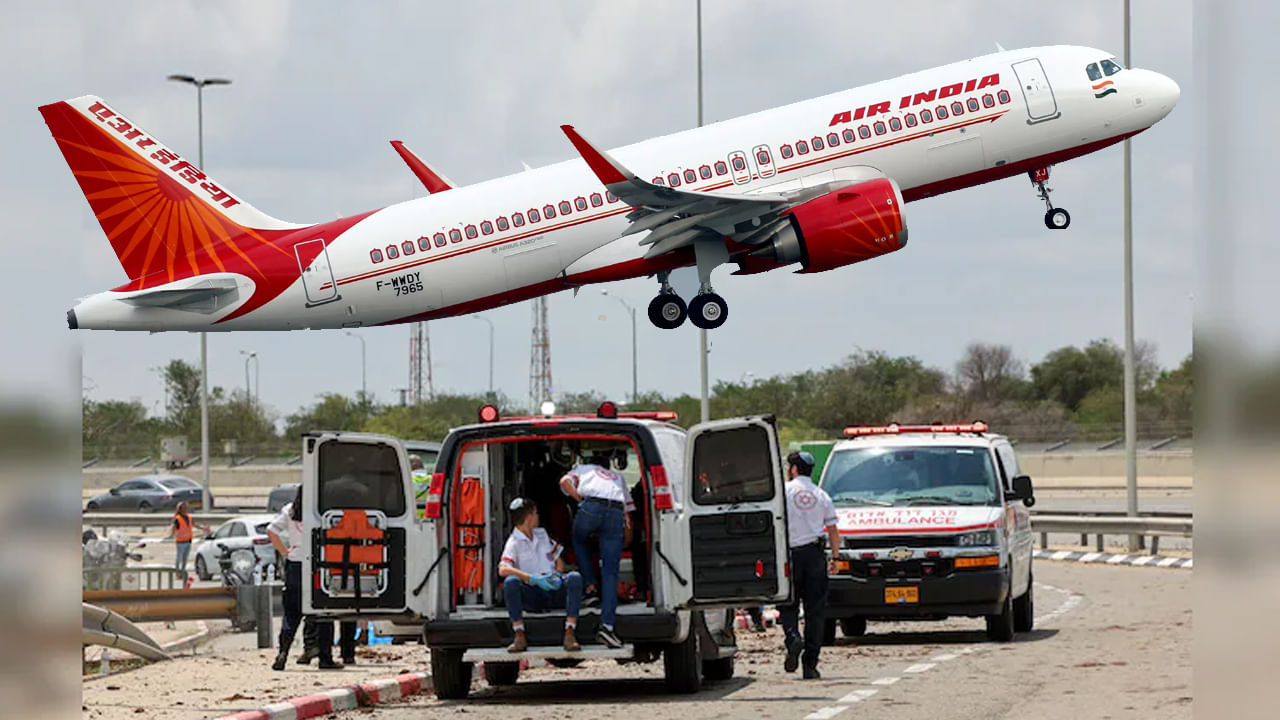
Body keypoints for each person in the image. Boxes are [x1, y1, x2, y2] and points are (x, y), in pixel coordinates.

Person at [560, 452, 632, 649]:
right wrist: (626, 538)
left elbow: (564, 482)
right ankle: (607, 627)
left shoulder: (583, 469)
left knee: (578, 539)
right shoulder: (619, 478)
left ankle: (590, 587)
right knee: (610, 572)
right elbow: (628, 513)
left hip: (591, 507)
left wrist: (580, 500)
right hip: (616, 512)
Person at [778, 451, 840, 680]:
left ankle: (793, 636)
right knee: (815, 611)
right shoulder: (821, 495)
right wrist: (836, 557)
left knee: (788, 603)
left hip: (790, 555)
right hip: (815, 555)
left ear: (793, 469)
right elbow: (832, 529)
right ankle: (810, 664)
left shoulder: (783, 492)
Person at [266, 485, 341, 671]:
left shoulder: (290, 510)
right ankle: (325, 658)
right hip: (318, 565)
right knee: (324, 612)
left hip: (295, 564)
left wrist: (285, 552)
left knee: (291, 614)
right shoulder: (322, 511)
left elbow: (271, 531)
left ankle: (283, 652)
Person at [499, 497, 583, 653]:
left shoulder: (542, 534)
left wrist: (557, 574)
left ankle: (570, 633)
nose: (538, 516)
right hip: (534, 593)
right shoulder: (514, 542)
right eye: (536, 513)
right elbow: (503, 569)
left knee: (574, 578)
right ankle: (519, 635)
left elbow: (558, 558)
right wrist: (530, 578)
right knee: (510, 583)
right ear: (529, 517)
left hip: (552, 588)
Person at [164, 501, 211, 571]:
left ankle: (182, 571)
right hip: (180, 542)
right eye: (184, 507)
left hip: (188, 540)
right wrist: (171, 534)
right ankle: (177, 572)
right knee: (179, 558)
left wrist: (204, 528)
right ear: (180, 509)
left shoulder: (189, 517)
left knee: (185, 559)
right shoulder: (177, 518)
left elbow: (194, 525)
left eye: (186, 507)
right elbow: (173, 527)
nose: (186, 508)